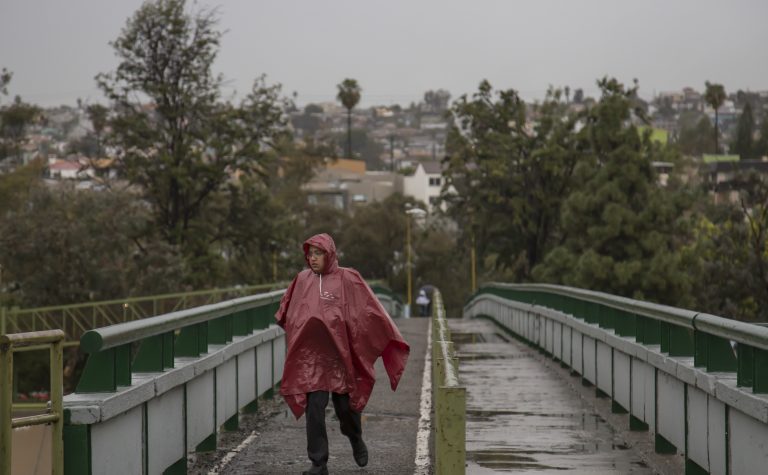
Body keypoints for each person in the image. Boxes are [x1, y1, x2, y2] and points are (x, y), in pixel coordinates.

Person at [275, 233, 410, 475]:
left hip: (341, 358)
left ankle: (355, 438)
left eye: (319, 253)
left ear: (330, 254)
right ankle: (319, 463)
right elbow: (288, 312)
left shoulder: (347, 278)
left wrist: (384, 335)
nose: (313, 258)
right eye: (310, 253)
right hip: (313, 360)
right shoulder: (302, 280)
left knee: (345, 410)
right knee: (314, 408)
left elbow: (369, 311)